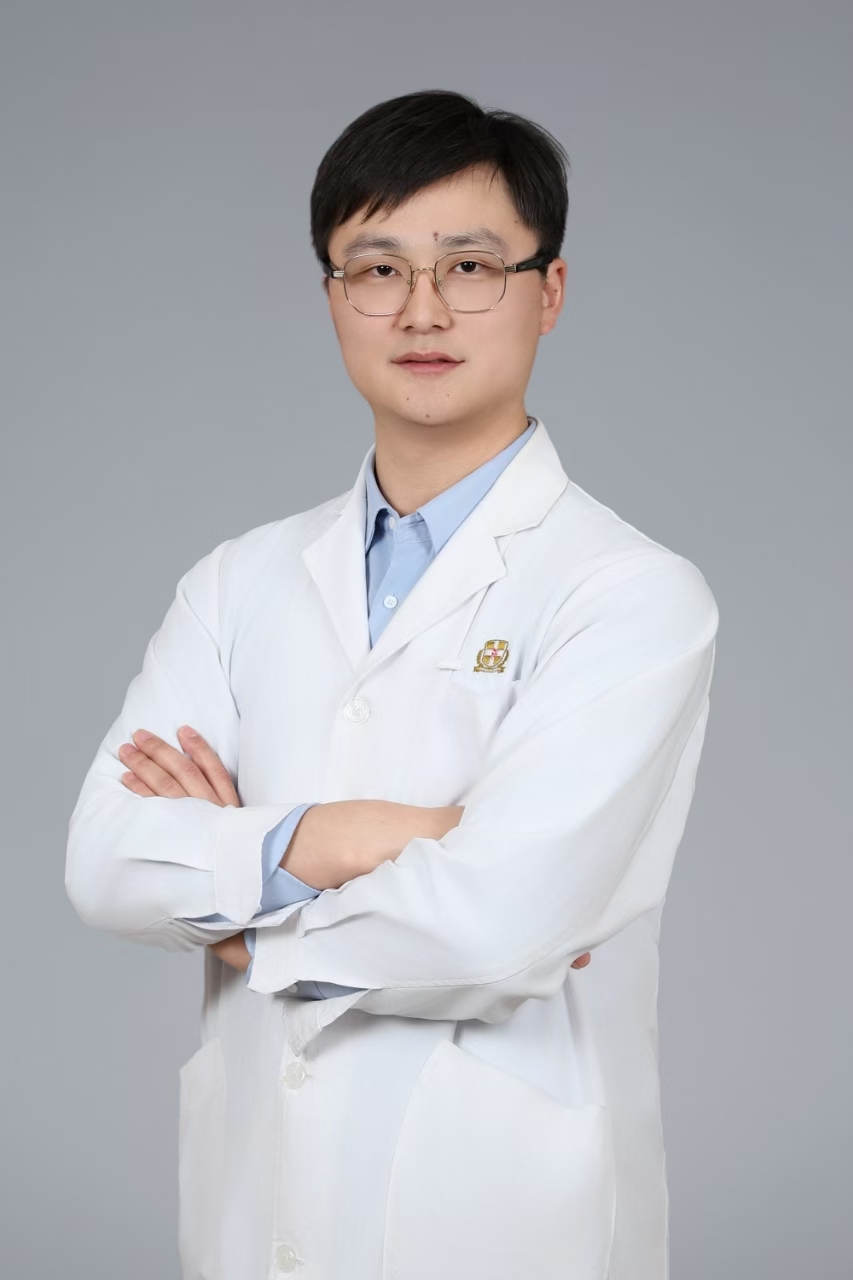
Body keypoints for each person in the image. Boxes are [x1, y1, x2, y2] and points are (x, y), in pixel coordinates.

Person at [65, 89, 719, 1280]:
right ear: (332, 295)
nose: (422, 309)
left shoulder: (630, 593)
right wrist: (354, 832)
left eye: (470, 265)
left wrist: (240, 911)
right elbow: (106, 861)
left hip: (506, 1221)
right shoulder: (238, 581)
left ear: (548, 291)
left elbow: (498, 926)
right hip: (252, 1210)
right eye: (377, 269)